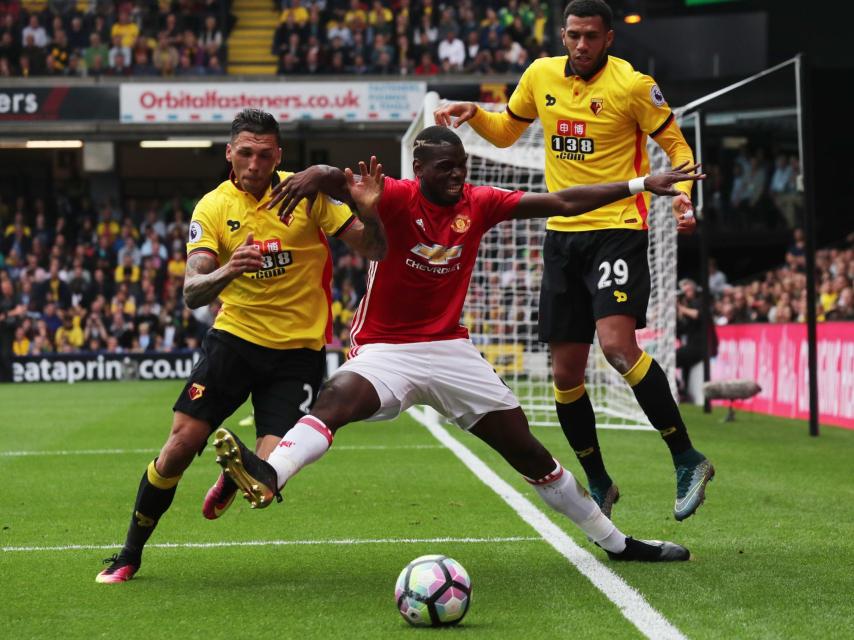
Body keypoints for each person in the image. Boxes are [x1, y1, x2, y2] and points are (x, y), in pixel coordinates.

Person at [211, 126, 702, 563]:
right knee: (336, 398)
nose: (457, 175)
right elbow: (332, 178)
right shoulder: (395, 195)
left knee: (530, 454)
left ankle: (617, 544)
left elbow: (561, 203)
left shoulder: (478, 202)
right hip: (386, 347)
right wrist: (314, 174)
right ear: (418, 169)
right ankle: (270, 474)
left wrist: (641, 184)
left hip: (450, 348)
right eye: (445, 167)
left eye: (462, 166)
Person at [433, 0, 713, 522]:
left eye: (592, 36)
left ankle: (686, 457)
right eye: (574, 35)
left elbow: (678, 150)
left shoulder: (633, 85)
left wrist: (683, 197)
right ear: (563, 35)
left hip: (617, 230)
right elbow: (507, 131)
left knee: (617, 347)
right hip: (562, 236)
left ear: (609, 38)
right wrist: (476, 115)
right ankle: (599, 480)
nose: (582, 45)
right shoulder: (540, 75)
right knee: (565, 374)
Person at [95, 108, 388, 583]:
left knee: (268, 480)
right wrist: (229, 268)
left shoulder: (306, 193)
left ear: (279, 156)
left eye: (265, 154)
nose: (255, 163)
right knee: (179, 447)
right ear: (229, 153)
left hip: (298, 353)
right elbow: (192, 292)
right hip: (234, 342)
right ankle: (129, 553)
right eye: (246, 153)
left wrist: (370, 212)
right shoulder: (213, 207)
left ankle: (238, 473)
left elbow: (375, 249)